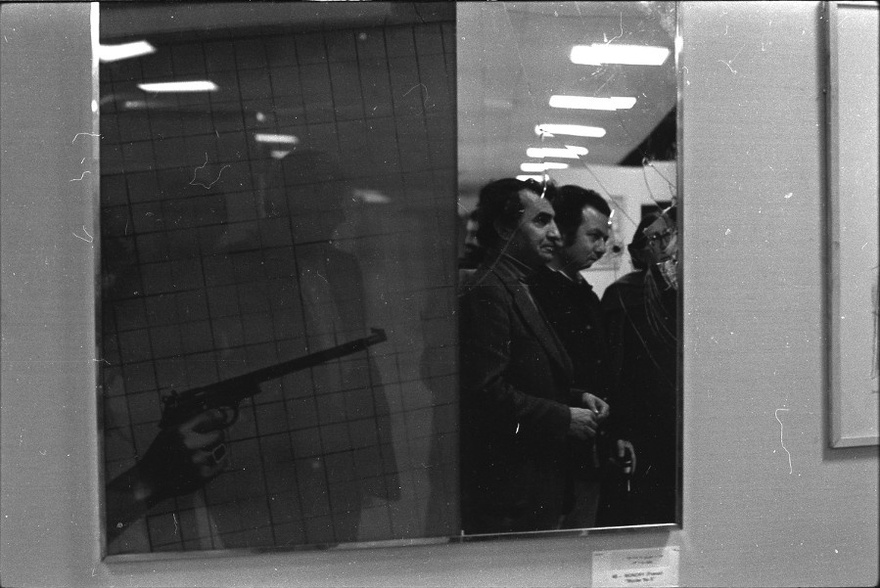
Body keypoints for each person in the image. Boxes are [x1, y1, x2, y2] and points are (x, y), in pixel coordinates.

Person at [458, 178, 608, 534]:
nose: (556, 234)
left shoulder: (516, 286)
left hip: (531, 487)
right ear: (505, 227)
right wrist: (562, 416)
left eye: (555, 221)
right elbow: (482, 392)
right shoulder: (490, 291)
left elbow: (521, 376)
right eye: (541, 221)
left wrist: (574, 398)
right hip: (511, 494)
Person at [528, 185, 632, 529]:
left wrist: (614, 433)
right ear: (564, 232)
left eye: (605, 237)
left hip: (589, 449)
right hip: (552, 456)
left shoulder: (581, 291)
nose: (602, 247)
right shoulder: (534, 293)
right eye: (593, 236)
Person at [599, 207, 678, 526]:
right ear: (640, 250)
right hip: (643, 424)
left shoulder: (691, 292)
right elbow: (612, 370)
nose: (662, 246)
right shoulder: (623, 294)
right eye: (653, 239)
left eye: (666, 236)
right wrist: (619, 431)